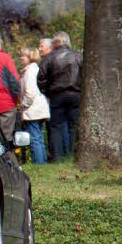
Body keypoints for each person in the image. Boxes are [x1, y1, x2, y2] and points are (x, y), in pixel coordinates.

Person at [37, 31, 82, 161]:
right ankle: (74, 156)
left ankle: (57, 157)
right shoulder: (78, 56)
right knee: (74, 126)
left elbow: (41, 78)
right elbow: (86, 75)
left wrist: (47, 92)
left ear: (55, 43)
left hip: (56, 95)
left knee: (56, 127)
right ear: (67, 42)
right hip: (75, 95)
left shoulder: (49, 58)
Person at [17, 47, 49, 164]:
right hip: (39, 108)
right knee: (38, 138)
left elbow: (30, 93)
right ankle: (42, 161)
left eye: (23, 56)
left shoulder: (30, 72)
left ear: (30, 57)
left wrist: (23, 105)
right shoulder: (34, 70)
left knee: (34, 138)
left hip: (33, 110)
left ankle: (39, 163)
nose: (21, 58)